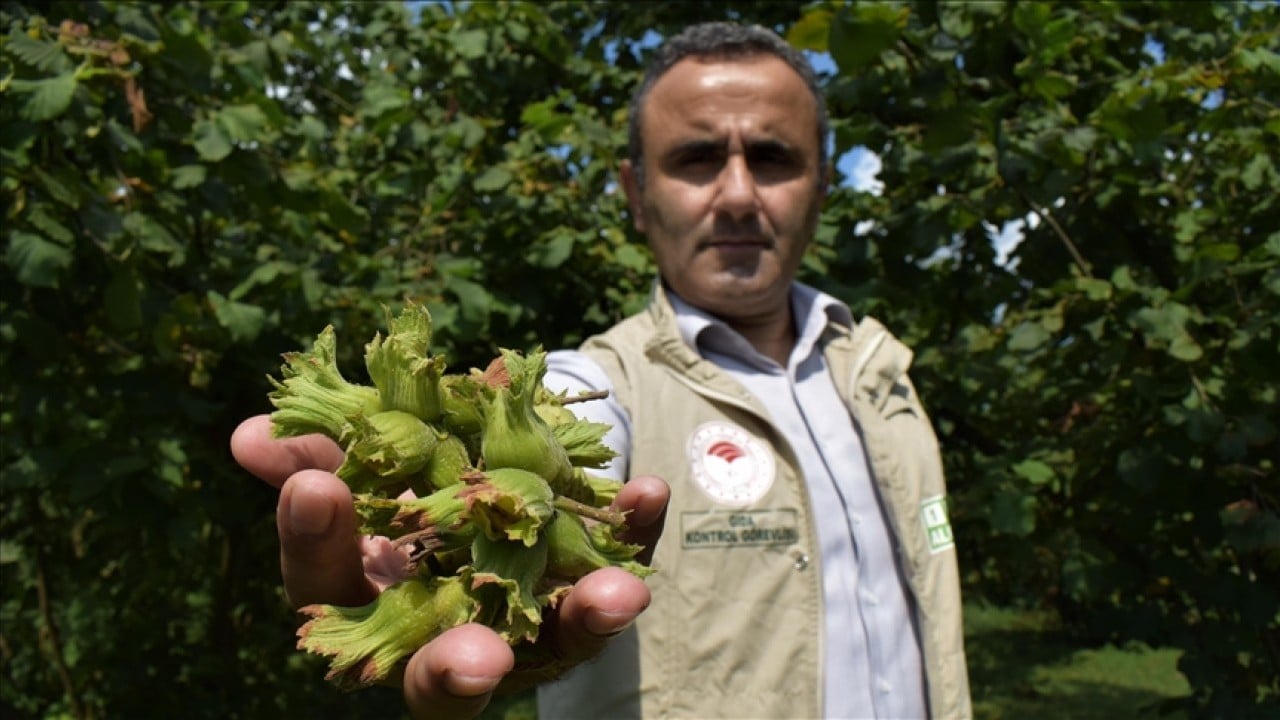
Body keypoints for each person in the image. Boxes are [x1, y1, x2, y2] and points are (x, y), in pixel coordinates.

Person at [232, 20, 970, 720]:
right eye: (697, 158)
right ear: (635, 195)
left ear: (822, 186)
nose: (739, 194)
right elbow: (563, 424)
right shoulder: (603, 379)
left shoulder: (880, 372)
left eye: (774, 158)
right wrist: (444, 499)